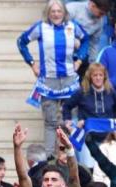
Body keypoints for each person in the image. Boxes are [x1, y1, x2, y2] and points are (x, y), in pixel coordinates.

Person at [18, 0, 88, 152]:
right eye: (53, 11)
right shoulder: (40, 27)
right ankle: (50, 160)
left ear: (64, 13)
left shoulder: (73, 26)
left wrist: (80, 59)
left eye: (59, 11)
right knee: (50, 122)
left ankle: (71, 158)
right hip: (49, 81)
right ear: (48, 13)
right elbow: (21, 42)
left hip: (70, 80)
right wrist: (32, 63)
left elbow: (85, 40)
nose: (56, 14)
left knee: (71, 120)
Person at [61, 62, 116, 128]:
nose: (98, 78)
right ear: (90, 77)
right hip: (87, 134)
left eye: (101, 75)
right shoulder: (82, 92)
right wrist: (68, 120)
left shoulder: (111, 92)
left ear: (104, 77)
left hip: (107, 133)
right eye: (95, 75)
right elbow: (66, 106)